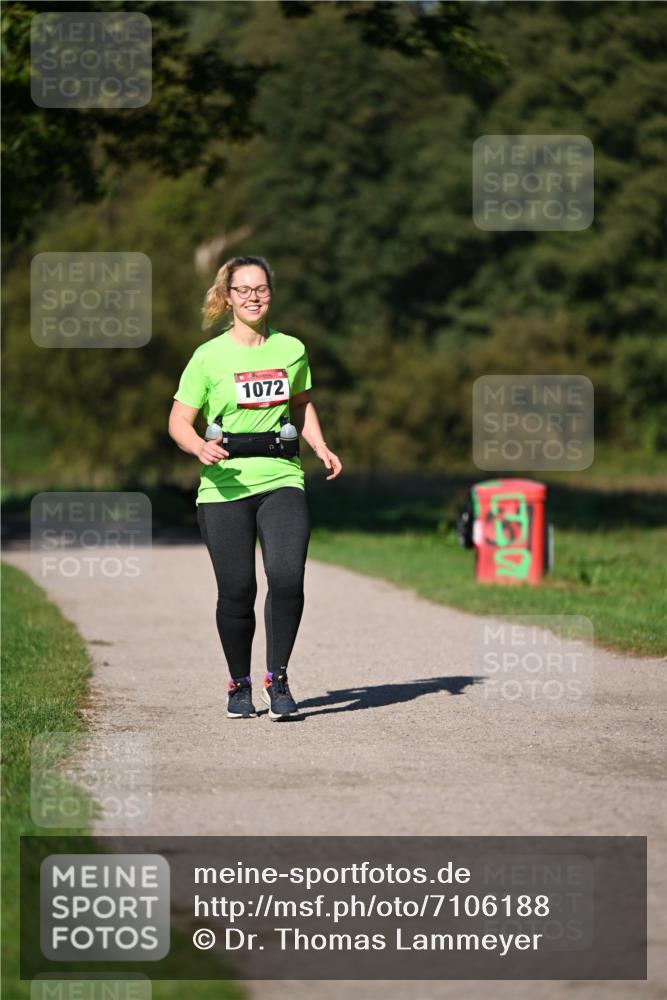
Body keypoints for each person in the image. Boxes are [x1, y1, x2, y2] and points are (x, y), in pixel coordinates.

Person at [168, 255, 342, 721]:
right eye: (243, 290)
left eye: (260, 289)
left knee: (287, 578)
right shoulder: (208, 356)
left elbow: (301, 405)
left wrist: (321, 446)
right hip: (224, 487)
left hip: (282, 477)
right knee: (238, 589)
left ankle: (278, 679)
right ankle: (239, 684)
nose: (253, 297)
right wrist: (196, 448)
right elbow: (180, 420)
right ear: (227, 297)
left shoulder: (291, 349)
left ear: (271, 293)